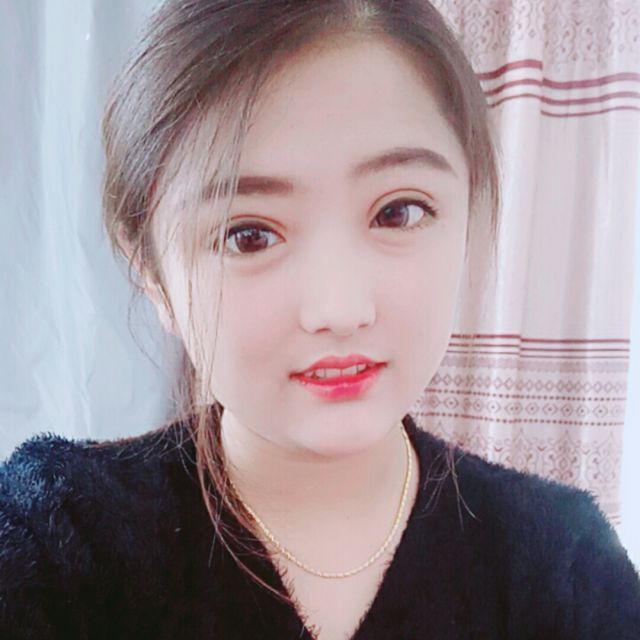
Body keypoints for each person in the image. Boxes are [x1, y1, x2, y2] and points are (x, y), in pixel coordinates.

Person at [1, 0, 639, 638]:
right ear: (152, 273)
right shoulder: (57, 542)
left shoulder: (566, 564)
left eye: (398, 213)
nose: (340, 311)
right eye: (249, 235)